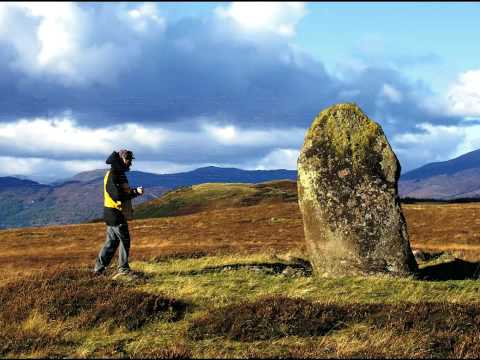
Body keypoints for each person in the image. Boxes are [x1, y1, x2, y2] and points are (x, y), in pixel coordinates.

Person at [94, 149, 144, 277]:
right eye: (128, 160)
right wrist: (135, 193)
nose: (130, 163)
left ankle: (98, 270)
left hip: (113, 212)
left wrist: (134, 192)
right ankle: (123, 269)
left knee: (111, 242)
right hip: (115, 213)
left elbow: (121, 193)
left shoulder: (118, 173)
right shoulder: (113, 174)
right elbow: (117, 195)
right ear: (122, 159)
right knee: (124, 240)